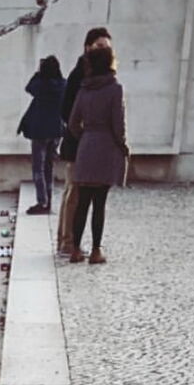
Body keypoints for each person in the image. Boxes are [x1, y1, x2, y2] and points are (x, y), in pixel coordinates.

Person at [67, 46, 128, 264]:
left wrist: (84, 136)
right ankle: (95, 250)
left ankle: (75, 249)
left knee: (82, 201)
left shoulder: (84, 89)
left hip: (86, 145)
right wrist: (122, 145)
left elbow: (73, 122)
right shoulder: (115, 89)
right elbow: (118, 123)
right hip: (106, 146)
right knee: (99, 203)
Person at [57, 27, 113, 255]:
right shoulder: (79, 74)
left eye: (108, 48)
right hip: (76, 144)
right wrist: (84, 134)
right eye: (100, 47)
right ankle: (67, 241)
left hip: (91, 145)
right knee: (74, 193)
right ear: (88, 47)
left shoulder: (103, 76)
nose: (105, 51)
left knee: (77, 193)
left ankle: (67, 240)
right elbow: (66, 110)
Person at [18, 56, 65, 214]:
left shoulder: (41, 84)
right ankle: (48, 200)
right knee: (49, 168)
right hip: (56, 131)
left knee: (38, 168)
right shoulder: (63, 84)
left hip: (40, 131)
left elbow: (29, 87)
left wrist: (38, 72)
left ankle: (42, 201)